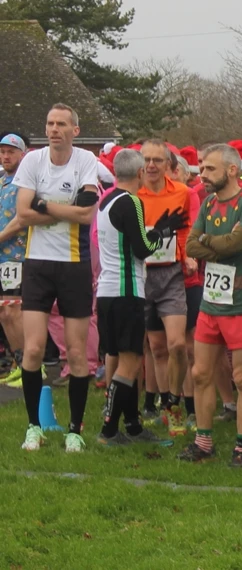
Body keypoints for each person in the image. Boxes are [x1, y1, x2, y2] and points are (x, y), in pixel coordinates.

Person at [15, 104, 99, 453]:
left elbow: (86, 212)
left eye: (61, 124)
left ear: (74, 130)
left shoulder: (85, 161)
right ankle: (34, 426)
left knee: (77, 354)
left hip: (74, 264)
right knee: (32, 349)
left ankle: (74, 430)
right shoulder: (32, 161)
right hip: (37, 264)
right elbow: (23, 213)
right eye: (49, 123)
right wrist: (62, 209)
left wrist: (45, 205)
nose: (54, 129)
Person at [180, 144, 242, 468]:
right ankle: (204, 442)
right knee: (201, 372)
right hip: (210, 303)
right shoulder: (207, 204)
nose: (202, 175)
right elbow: (190, 245)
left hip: (241, 304)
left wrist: (208, 245)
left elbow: (237, 243)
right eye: (201, 169)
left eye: (209, 169)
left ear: (231, 170)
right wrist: (215, 247)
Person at [96, 149, 186, 445]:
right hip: (127, 290)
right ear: (138, 175)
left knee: (119, 357)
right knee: (131, 363)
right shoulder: (131, 200)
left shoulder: (105, 200)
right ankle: (109, 429)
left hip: (106, 291)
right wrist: (161, 233)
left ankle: (132, 424)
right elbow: (143, 248)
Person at [139, 140, 193, 436]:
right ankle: (165, 409)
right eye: (146, 159)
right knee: (157, 348)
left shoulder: (181, 192)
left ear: (167, 164)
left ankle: (175, 400)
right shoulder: (134, 195)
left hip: (171, 273)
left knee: (177, 344)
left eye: (157, 160)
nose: (151, 165)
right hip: (142, 274)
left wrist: (187, 256)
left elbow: (185, 228)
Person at [0, 133, 29, 387]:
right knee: (4, 312)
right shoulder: (1, 181)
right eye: (2, 152)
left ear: (22, 153)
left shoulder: (25, 182)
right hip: (2, 259)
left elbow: (21, 219)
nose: (6, 156)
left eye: (11, 152)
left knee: (16, 310)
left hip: (18, 255)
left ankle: (32, 367)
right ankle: (19, 363)